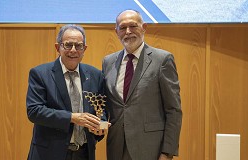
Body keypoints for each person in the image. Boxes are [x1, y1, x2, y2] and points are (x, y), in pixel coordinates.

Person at [102, 10, 182, 160]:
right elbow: (106, 104)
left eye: (133, 26)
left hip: (151, 148)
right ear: (116, 31)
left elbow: (174, 110)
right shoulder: (108, 62)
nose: (128, 32)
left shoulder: (162, 60)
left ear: (144, 27)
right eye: (123, 27)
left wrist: (167, 152)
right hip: (117, 147)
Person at [26, 24, 107, 160]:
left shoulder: (95, 75)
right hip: (49, 154)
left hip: (84, 153)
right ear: (58, 47)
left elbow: (101, 109)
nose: (73, 50)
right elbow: (34, 111)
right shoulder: (40, 74)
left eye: (79, 46)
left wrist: (100, 125)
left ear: (84, 49)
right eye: (68, 45)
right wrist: (72, 117)